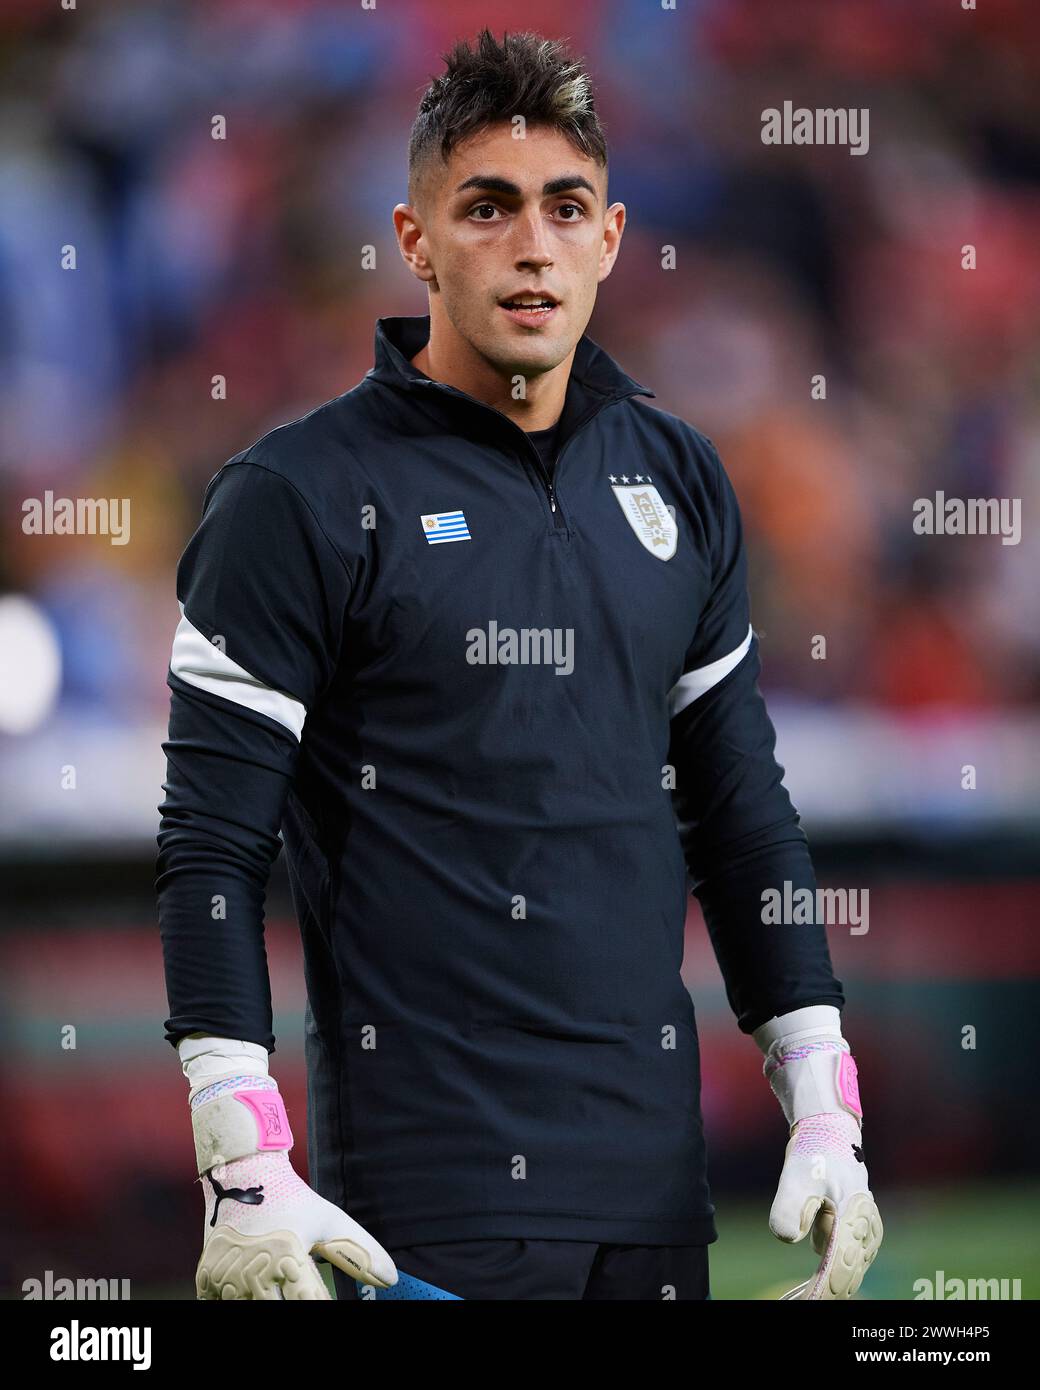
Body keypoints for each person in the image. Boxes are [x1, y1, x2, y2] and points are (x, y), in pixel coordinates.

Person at [157, 27, 881, 1301]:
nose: (531, 243)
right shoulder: (298, 495)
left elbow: (742, 817)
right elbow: (212, 844)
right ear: (416, 239)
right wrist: (240, 1156)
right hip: (426, 1207)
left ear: (609, 238)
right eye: (486, 208)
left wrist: (823, 1101)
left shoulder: (678, 479)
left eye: (565, 207)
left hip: (661, 1198)